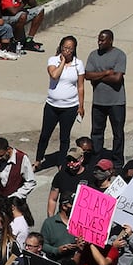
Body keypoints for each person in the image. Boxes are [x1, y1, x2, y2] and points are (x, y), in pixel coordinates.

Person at [36, 35, 84, 168]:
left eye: (70, 48)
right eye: (65, 47)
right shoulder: (53, 60)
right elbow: (54, 75)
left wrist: (81, 105)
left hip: (70, 107)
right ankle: (38, 159)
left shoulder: (78, 64)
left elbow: (80, 86)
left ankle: (62, 162)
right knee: (45, 134)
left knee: (64, 136)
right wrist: (62, 62)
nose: (67, 51)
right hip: (52, 105)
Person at [83, 30, 127, 161]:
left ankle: (118, 161)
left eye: (103, 40)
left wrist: (96, 76)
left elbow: (117, 79)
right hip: (98, 102)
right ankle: (96, 159)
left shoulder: (120, 55)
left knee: (118, 133)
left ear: (111, 40)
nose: (100, 42)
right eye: (99, 39)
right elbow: (87, 75)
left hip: (116, 102)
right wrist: (107, 73)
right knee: (96, 132)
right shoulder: (93, 55)